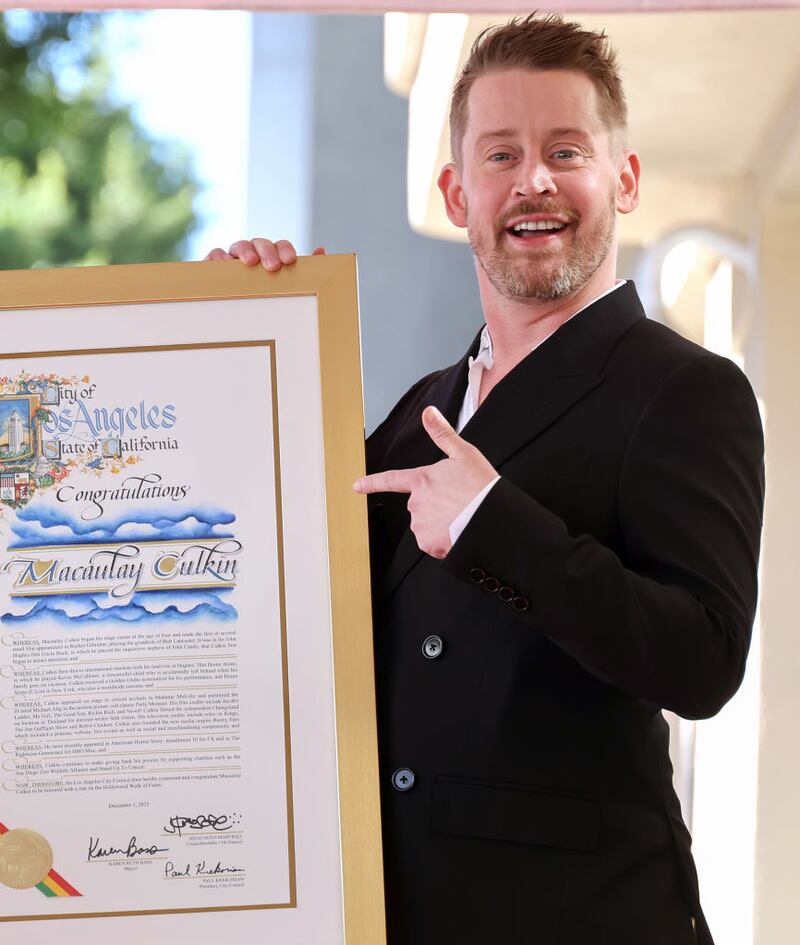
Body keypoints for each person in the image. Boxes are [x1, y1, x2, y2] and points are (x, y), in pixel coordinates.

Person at [207, 14, 764, 945]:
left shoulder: (686, 389)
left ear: (622, 179)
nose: (533, 180)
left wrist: (496, 525)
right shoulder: (415, 408)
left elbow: (703, 660)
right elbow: (293, 587)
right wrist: (232, 335)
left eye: (566, 150)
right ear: (457, 191)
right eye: (500, 155)